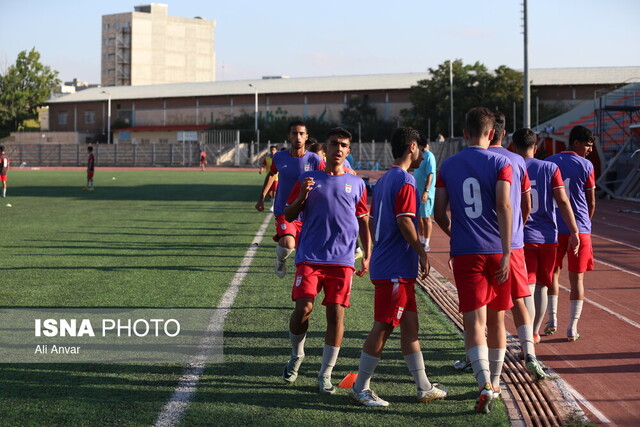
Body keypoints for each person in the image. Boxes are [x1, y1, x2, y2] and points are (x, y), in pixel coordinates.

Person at [349, 127, 446, 408]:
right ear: (412, 147)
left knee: (410, 327)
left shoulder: (385, 179)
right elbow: (405, 221)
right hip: (393, 267)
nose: (422, 154)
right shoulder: (405, 180)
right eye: (421, 149)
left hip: (393, 266)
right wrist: (422, 252)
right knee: (383, 327)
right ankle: (360, 387)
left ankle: (423, 386)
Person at [434, 107, 513, 414]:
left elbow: (439, 211)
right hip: (496, 250)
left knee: (473, 321)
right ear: (492, 133)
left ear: (465, 132)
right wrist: (507, 251)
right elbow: (505, 205)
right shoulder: (501, 161)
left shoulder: (449, 165)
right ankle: (495, 381)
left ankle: (483, 385)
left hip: (466, 250)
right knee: (497, 320)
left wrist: (455, 233)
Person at [282, 127, 371, 394]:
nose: (339, 149)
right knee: (304, 309)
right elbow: (288, 215)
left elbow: (364, 221)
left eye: (344, 145)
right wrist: (301, 197)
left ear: (349, 151)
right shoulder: (309, 177)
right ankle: (297, 355)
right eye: (334, 144)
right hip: (310, 257)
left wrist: (367, 254)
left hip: (342, 260)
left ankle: (325, 374)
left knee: (336, 315)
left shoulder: (357, 184)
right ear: (326, 148)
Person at [486, 112, 545, 382]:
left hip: (485, 241)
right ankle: (529, 352)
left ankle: (485, 366)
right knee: (521, 297)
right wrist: (520, 223)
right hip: (516, 242)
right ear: (504, 133)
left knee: (491, 308)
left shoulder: (481, 159)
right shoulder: (518, 160)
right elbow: (526, 203)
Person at [511, 128, 580, 343]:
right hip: (548, 236)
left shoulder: (511, 166)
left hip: (523, 235)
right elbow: (562, 200)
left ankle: (528, 335)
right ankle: (534, 331)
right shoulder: (550, 168)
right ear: (537, 144)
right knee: (542, 285)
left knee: (528, 286)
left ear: (513, 147)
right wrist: (575, 230)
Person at [545, 125, 596, 341]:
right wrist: (584, 223)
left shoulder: (549, 163)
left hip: (555, 227)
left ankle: (552, 319)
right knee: (577, 279)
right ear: (575, 142)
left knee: (552, 274)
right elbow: (591, 201)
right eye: (587, 145)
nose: (589, 150)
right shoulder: (586, 165)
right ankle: (572, 327)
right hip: (580, 229)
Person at [255, 121, 324, 278]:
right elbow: (272, 174)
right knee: (287, 244)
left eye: (301, 134)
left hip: (308, 214)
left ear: (306, 137)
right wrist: (261, 198)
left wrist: (347, 171)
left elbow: (329, 175)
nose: (298, 137)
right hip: (284, 211)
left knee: (306, 256)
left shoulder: (315, 160)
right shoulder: (279, 157)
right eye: (294, 133)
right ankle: (280, 260)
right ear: (289, 136)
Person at [412, 136, 436, 251]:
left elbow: (430, 174)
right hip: (418, 190)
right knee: (419, 217)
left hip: (426, 193)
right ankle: (421, 240)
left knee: (426, 218)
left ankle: (426, 242)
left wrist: (426, 191)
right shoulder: (420, 156)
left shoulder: (429, 156)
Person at [259, 145, 279, 212]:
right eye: (271, 150)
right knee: (270, 193)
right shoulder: (267, 159)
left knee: (275, 192)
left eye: (273, 150)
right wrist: (261, 169)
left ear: (276, 151)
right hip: (269, 177)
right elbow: (263, 165)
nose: (272, 151)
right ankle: (273, 205)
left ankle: (273, 206)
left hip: (276, 178)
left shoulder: (278, 158)